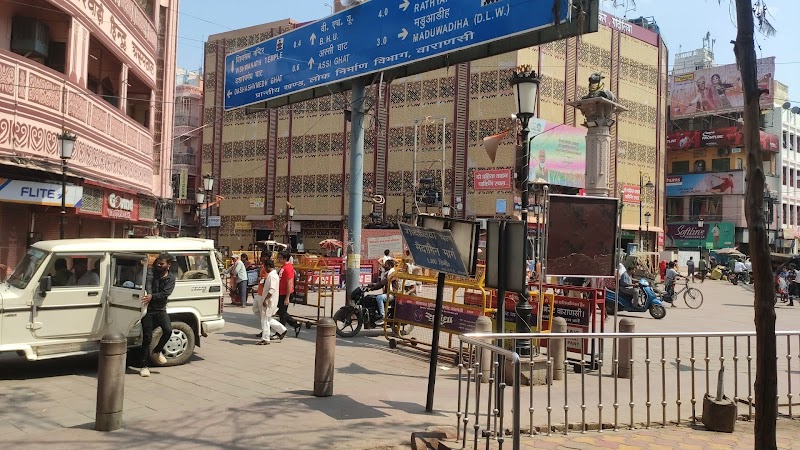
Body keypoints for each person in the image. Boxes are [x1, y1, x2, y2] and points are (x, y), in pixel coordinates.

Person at [139, 254, 176, 377]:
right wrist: (149, 293)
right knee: (147, 338)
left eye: (162, 264)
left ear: (168, 265)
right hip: (148, 310)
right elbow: (148, 283)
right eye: (158, 263)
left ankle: (157, 351)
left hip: (160, 309)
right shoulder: (151, 272)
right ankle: (144, 366)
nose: (159, 265)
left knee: (168, 330)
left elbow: (165, 294)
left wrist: (152, 296)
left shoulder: (171, 278)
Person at [254, 259, 287, 345]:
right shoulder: (273, 275)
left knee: (264, 319)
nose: (264, 269)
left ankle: (265, 338)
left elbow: (272, 289)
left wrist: (266, 299)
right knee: (267, 318)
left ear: (268, 266)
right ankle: (282, 330)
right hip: (270, 300)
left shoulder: (272, 276)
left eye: (265, 267)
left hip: (269, 301)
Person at [276, 251, 302, 336]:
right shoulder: (283, 267)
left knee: (282, 313)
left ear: (285, 258)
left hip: (285, 293)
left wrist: (287, 297)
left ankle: (280, 332)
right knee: (281, 312)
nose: (278, 259)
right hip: (280, 292)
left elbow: (289, 283)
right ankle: (295, 324)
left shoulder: (288, 268)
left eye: (280, 257)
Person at [366, 259, 398, 326]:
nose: (384, 266)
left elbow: (384, 282)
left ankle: (383, 316)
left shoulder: (393, 273)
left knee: (379, 297)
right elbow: (381, 284)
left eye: (385, 265)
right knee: (373, 298)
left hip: (392, 294)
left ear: (389, 266)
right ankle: (377, 313)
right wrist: (371, 287)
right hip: (388, 293)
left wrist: (373, 287)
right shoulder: (388, 273)